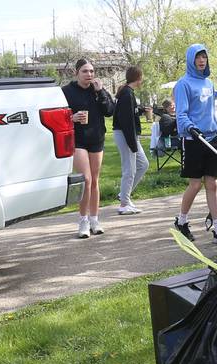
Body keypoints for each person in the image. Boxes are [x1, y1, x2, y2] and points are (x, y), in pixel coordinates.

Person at [172, 43, 217, 245]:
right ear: (191, 59)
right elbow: (181, 114)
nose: (202, 60)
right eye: (198, 57)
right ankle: (181, 221)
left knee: (212, 183)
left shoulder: (209, 83)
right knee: (195, 183)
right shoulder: (183, 84)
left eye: (204, 57)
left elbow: (210, 111)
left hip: (212, 137)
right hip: (194, 140)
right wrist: (191, 128)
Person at [62, 58, 115, 238]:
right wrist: (72, 117)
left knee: (95, 180)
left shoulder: (98, 90)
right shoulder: (67, 92)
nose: (89, 75)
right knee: (86, 179)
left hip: (96, 138)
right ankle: (83, 220)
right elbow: (59, 115)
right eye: (85, 71)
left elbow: (109, 111)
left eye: (92, 71)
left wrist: (100, 92)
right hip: (78, 140)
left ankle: (94, 219)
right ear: (76, 73)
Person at [113, 66, 150, 215]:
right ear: (138, 78)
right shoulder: (127, 94)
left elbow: (130, 113)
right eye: (142, 77)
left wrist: (140, 110)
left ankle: (124, 195)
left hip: (129, 134)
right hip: (125, 134)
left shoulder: (129, 93)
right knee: (129, 169)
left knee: (143, 164)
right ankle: (124, 204)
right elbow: (126, 121)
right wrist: (132, 144)